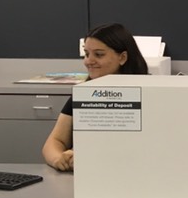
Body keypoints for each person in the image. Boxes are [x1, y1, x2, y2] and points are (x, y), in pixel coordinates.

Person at [42, 23, 148, 172]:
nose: (88, 61)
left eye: (99, 54)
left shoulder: (147, 95)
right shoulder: (84, 94)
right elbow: (55, 141)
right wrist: (59, 159)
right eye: (86, 54)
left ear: (122, 57)